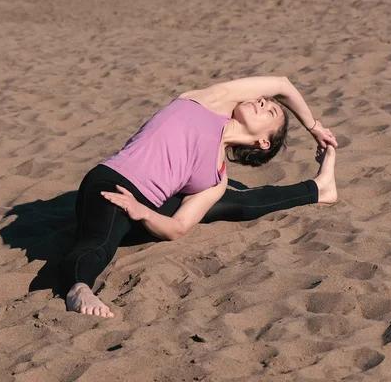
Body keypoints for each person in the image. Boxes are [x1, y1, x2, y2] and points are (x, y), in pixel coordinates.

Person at [60, 76, 338, 318]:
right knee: (99, 244)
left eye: (271, 111)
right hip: (114, 182)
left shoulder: (216, 179)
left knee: (231, 200)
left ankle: (318, 187)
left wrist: (144, 212)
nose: (262, 102)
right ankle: (79, 287)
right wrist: (314, 127)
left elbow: (178, 227)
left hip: (144, 211)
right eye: (264, 101)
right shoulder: (211, 102)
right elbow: (281, 84)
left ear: (264, 142)